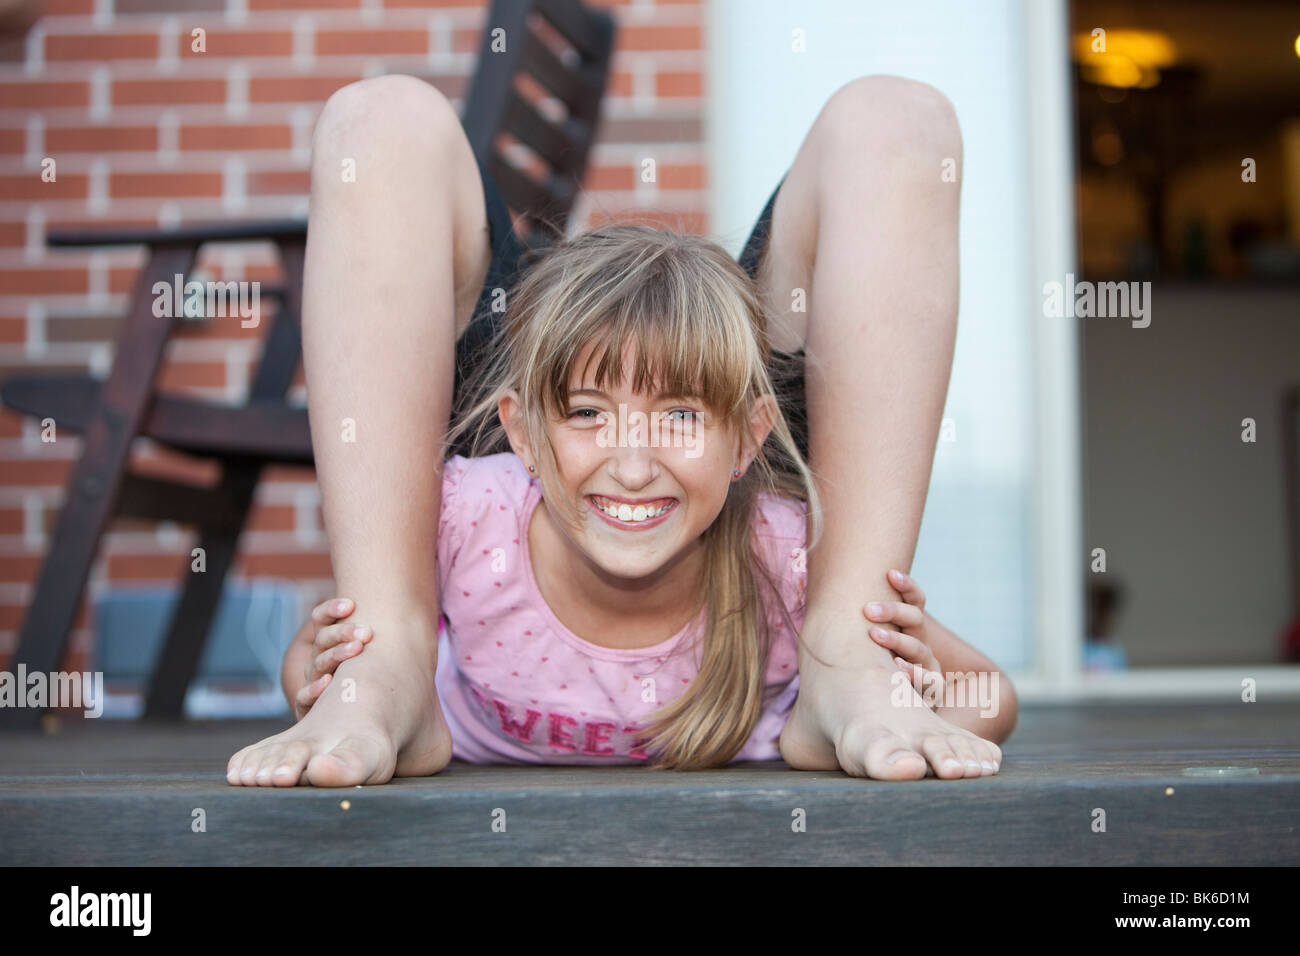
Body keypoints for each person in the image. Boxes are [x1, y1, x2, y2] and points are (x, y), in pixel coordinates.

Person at [226, 72, 1017, 786]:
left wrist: (895, 662)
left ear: (749, 437)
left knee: (898, 118)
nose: (633, 467)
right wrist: (341, 665)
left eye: (676, 418)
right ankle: (388, 671)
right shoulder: (469, 519)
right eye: (588, 414)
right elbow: (307, 665)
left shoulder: (783, 557)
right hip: (545, 462)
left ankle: (847, 660)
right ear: (523, 435)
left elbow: (989, 700)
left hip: (745, 505)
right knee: (374, 117)